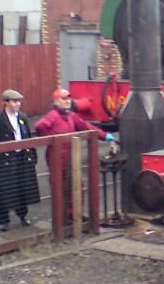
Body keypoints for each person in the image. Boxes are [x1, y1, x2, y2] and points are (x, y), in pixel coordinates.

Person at [34, 88, 115, 220]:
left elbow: (87, 127)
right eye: (63, 99)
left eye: (68, 99)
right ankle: (61, 219)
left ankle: (75, 215)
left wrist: (105, 136)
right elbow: (39, 126)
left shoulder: (71, 116)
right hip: (57, 160)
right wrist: (52, 138)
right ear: (56, 101)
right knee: (60, 190)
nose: (67, 101)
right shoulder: (53, 115)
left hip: (72, 159)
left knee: (76, 187)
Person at [0, 89, 41, 231]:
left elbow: (28, 136)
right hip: (4, 160)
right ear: (6, 102)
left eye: (19, 102)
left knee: (23, 187)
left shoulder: (22, 117)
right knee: (4, 190)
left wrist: (32, 154)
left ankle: (22, 215)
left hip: (21, 157)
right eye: (15, 101)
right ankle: (3, 219)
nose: (18, 104)